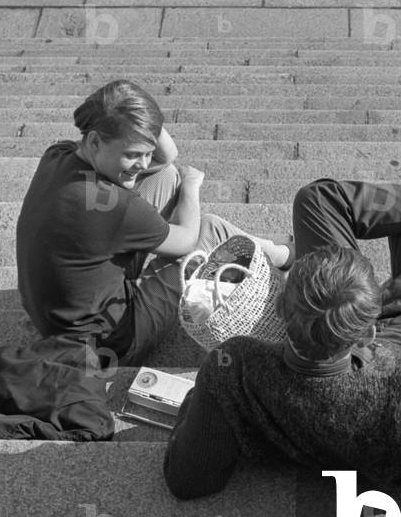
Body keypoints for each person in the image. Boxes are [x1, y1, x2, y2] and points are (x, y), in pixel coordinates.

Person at [164, 160, 401, 499]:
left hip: (335, 330)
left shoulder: (236, 367)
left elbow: (188, 480)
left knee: (318, 198)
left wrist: (205, 398)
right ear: (369, 334)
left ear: (278, 306)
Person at [16, 79, 292, 367]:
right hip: (113, 341)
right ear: (96, 141)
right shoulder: (111, 206)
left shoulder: (58, 153)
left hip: (53, 319)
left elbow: (167, 156)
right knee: (210, 229)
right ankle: (285, 257)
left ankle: (280, 254)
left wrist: (133, 104)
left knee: (166, 174)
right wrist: (191, 188)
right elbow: (187, 240)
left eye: (146, 152)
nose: (144, 163)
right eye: (132, 154)